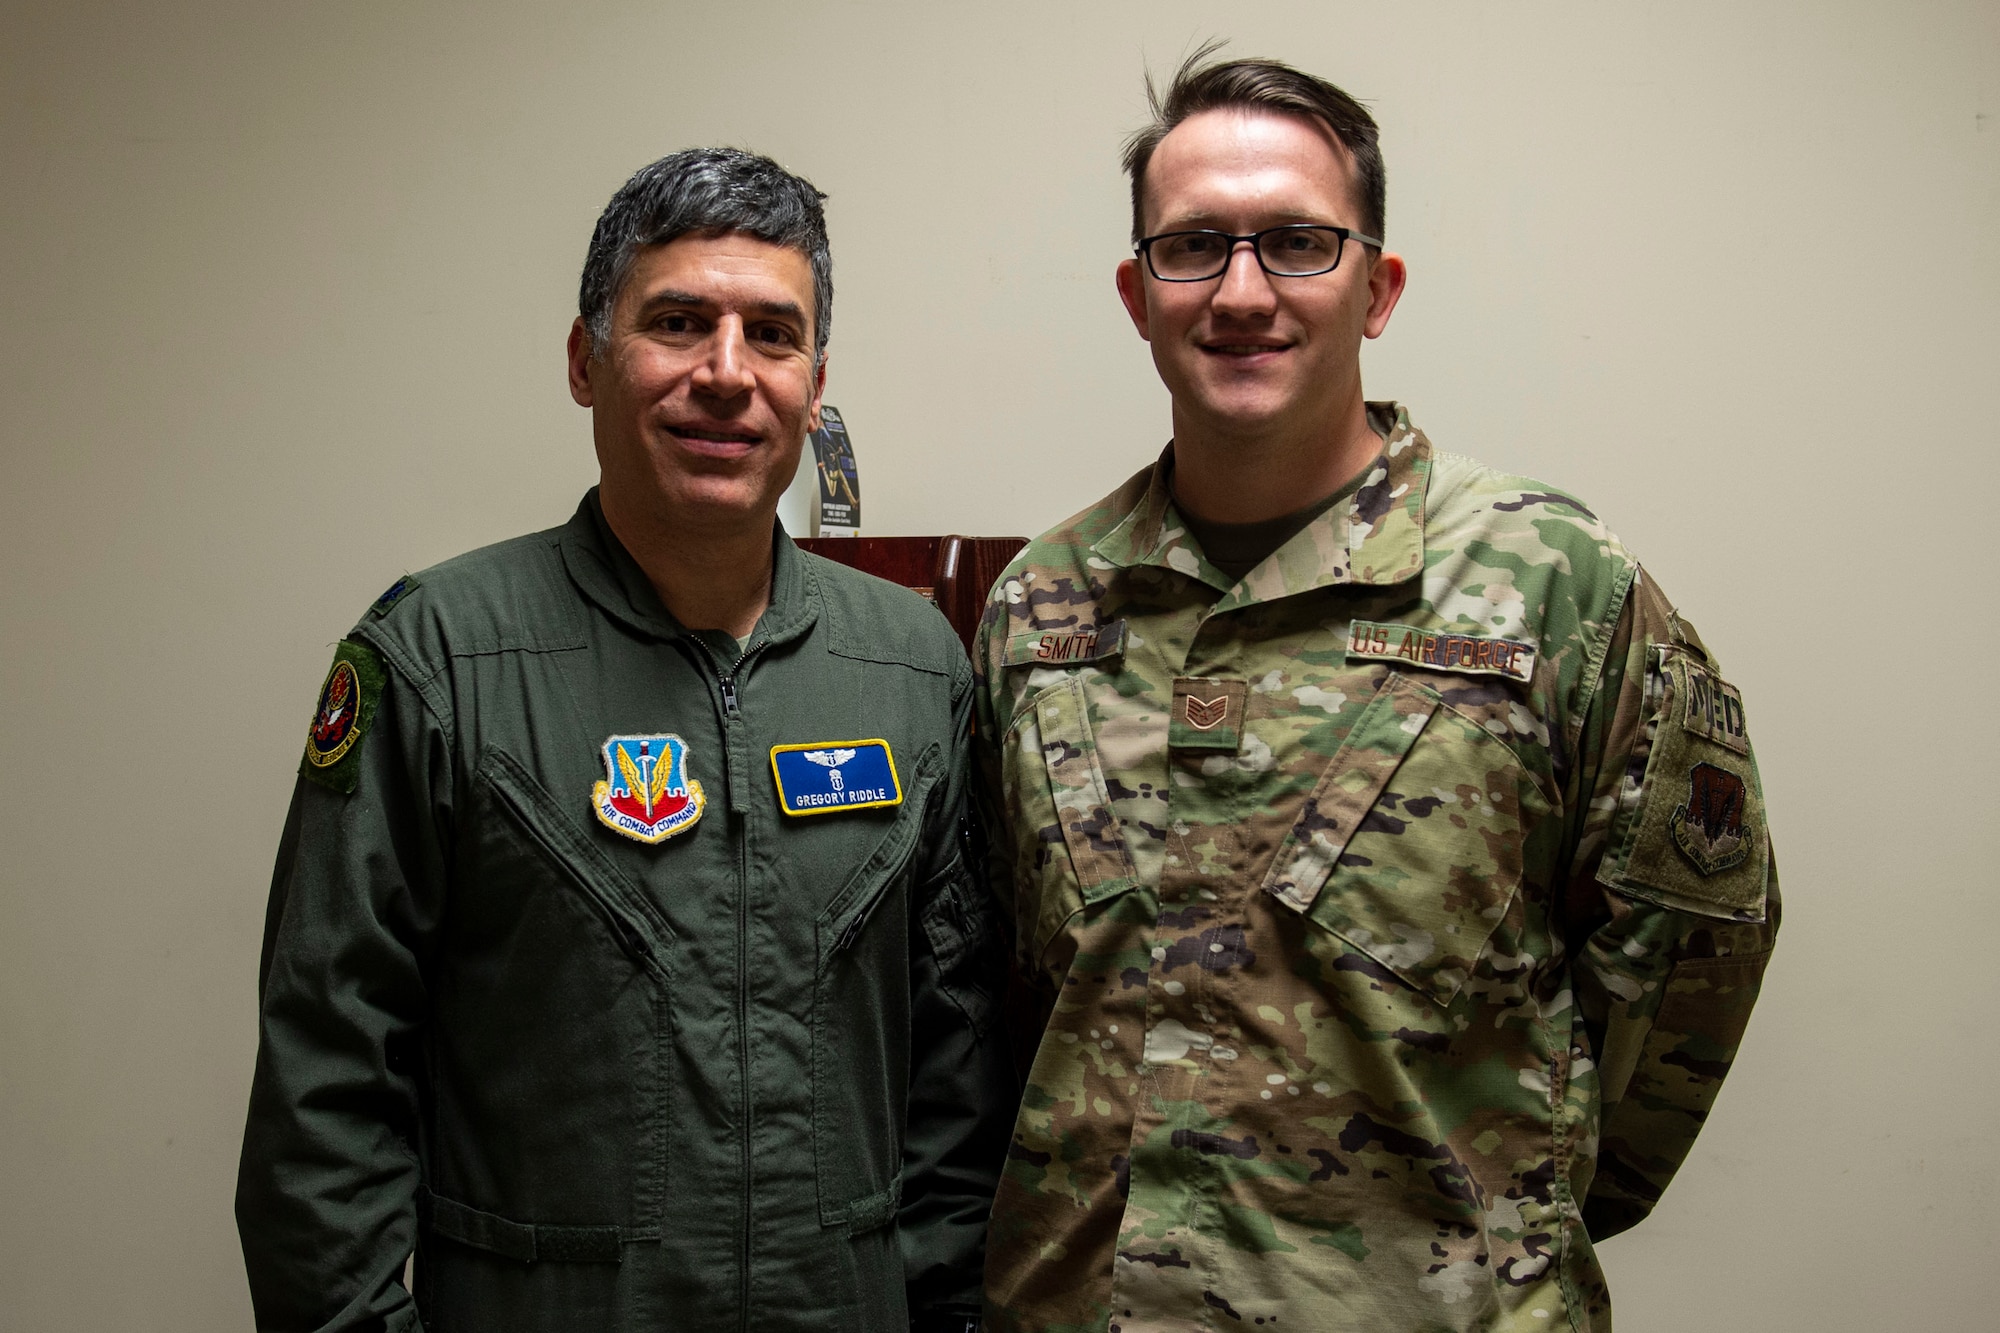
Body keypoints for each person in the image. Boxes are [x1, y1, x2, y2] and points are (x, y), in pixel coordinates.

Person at [974, 52, 1779, 1332]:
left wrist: (1505, 1215)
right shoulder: (1039, 608)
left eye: (1296, 241)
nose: (1241, 292)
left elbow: (1687, 962)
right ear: (1137, 294)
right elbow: (1009, 997)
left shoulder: (1553, 586)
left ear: (1377, 286)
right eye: (1192, 248)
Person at [237, 148, 1010, 1333]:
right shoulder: (441, 659)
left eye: (771, 333)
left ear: (813, 383)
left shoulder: (910, 669)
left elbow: (957, 1080)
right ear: (584, 361)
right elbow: (324, 1093)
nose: (724, 373)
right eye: (677, 321)